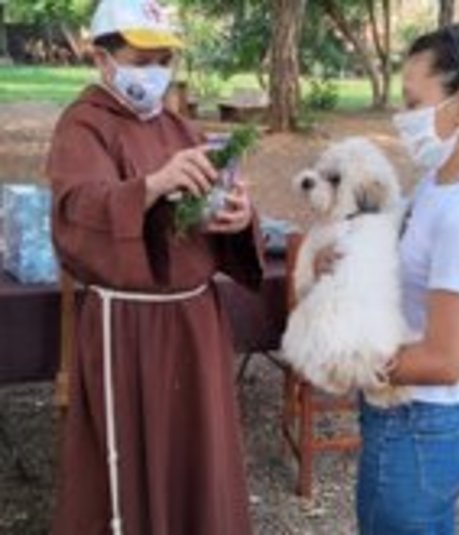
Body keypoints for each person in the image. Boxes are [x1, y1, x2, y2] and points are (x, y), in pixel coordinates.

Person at [47, 1, 263, 534]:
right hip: (132, 331)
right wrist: (150, 187)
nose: (156, 71)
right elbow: (77, 212)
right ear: (103, 60)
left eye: (164, 57)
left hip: (195, 324)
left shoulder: (177, 126)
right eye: (141, 58)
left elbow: (204, 216)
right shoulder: (83, 126)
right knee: (129, 473)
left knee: (198, 457)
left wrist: (238, 217)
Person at [329, 12, 459, 534]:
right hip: (410, 427)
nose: (403, 119)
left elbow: (444, 359)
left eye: (413, 103)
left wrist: (351, 360)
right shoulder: (438, 183)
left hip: (413, 430)